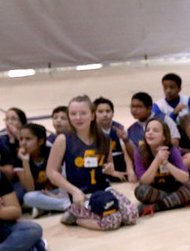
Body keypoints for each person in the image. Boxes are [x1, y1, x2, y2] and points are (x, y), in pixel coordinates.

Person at [48, 95, 140, 230]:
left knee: (131, 216)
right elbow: (51, 172)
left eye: (83, 113)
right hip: (79, 194)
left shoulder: (104, 138)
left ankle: (84, 215)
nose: (78, 118)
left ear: (92, 116)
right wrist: (74, 191)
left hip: (102, 190)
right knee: (112, 221)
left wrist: (110, 169)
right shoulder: (63, 140)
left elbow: (109, 165)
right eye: (73, 114)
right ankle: (76, 218)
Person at [133, 118, 190, 213]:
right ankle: (181, 201)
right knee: (140, 191)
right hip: (155, 191)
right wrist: (157, 160)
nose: (150, 133)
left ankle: (157, 207)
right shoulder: (139, 152)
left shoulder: (172, 151)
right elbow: (144, 182)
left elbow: (185, 178)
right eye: (147, 130)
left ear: (164, 137)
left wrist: (166, 163)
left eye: (155, 130)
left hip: (173, 188)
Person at [17, 123, 72, 217]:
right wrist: (25, 162)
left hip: (61, 190)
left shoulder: (52, 152)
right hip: (42, 194)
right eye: (21, 139)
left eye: (28, 139)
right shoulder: (19, 158)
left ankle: (47, 207)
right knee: (28, 197)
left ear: (41, 141)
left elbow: (66, 177)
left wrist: (60, 194)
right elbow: (30, 189)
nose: (23, 143)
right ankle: (71, 206)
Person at [93, 97, 137, 183]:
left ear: (113, 113)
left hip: (117, 159)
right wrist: (112, 172)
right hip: (100, 161)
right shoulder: (91, 130)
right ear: (94, 114)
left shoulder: (118, 128)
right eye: (100, 112)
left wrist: (130, 170)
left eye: (108, 111)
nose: (105, 114)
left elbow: (126, 152)